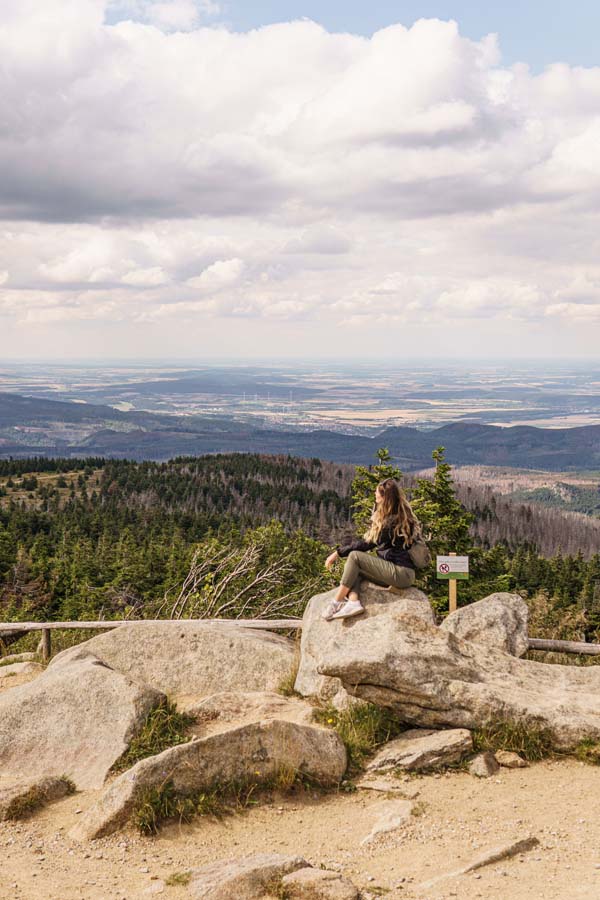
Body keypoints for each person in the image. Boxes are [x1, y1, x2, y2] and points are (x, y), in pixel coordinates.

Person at [323, 478, 421, 620]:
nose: (375, 495)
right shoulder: (400, 515)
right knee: (355, 570)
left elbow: (367, 543)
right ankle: (353, 601)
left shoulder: (391, 521)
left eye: (377, 493)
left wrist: (337, 553)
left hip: (401, 573)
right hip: (398, 573)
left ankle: (336, 602)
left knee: (355, 557)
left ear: (384, 497)